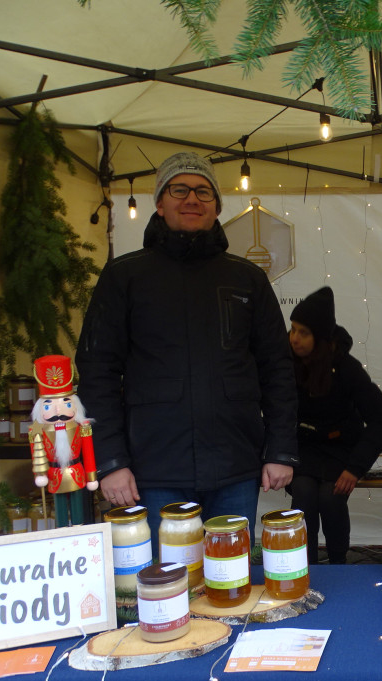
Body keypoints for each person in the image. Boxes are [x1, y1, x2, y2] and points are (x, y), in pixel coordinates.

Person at [76, 152, 298, 552]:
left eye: (203, 191)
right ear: (159, 203)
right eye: (179, 189)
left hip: (235, 468)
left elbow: (278, 368)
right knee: (166, 589)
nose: (191, 199)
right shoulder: (124, 277)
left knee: (230, 582)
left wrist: (280, 450)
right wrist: (111, 461)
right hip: (154, 470)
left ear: (216, 207)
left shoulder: (247, 279)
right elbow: (97, 372)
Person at [287, 287, 382, 564]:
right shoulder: (286, 363)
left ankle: (338, 564)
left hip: (341, 450)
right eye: (293, 329)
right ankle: (303, 567)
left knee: (331, 498)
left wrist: (355, 468)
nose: (294, 339)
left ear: (320, 337)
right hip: (304, 448)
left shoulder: (346, 367)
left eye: (304, 333)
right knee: (304, 495)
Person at [28, 354, 98, 527]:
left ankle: (79, 529)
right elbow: (36, 453)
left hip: (76, 472)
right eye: (49, 405)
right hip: (54, 474)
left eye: (66, 403)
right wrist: (40, 474)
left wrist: (91, 477)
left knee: (78, 511)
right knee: (59, 512)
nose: (58, 411)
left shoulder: (82, 427)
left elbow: (88, 452)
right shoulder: (38, 431)